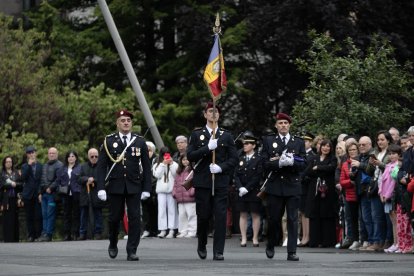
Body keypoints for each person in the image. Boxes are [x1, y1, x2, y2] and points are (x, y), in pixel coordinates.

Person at [96, 109, 151, 261]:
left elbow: (147, 167)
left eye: (128, 120)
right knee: (114, 218)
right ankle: (113, 242)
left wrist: (147, 188)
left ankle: (131, 250)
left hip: (134, 186)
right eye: (123, 120)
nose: (126, 123)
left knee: (135, 219)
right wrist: (100, 187)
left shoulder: (139, 141)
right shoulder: (109, 141)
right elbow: (101, 167)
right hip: (115, 186)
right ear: (117, 123)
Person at [187, 102, 238, 261]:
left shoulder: (226, 135)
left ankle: (218, 251)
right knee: (203, 216)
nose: (213, 114)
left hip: (220, 181)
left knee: (221, 216)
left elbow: (234, 158)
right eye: (210, 111)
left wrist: (221, 167)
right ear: (205, 114)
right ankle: (201, 244)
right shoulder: (197, 135)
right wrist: (207, 148)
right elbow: (190, 156)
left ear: (219, 115)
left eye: (216, 111)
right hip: (203, 182)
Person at [261, 112, 306, 261]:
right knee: (274, 218)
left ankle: (291, 251)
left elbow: (304, 163)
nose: (283, 125)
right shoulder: (268, 141)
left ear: (290, 125)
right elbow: (264, 163)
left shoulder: (298, 142)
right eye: (280, 123)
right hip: (275, 186)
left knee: (293, 219)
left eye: (286, 123)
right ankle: (271, 244)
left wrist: (292, 163)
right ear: (276, 126)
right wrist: (278, 163)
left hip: (293, 185)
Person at [305, 139, 338, 248]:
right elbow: (308, 171)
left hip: (327, 190)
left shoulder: (332, 158)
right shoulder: (314, 158)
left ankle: (327, 241)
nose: (325, 148)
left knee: (326, 214)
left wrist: (318, 168)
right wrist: (319, 170)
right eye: (324, 146)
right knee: (314, 215)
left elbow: (331, 168)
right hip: (314, 190)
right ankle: (314, 240)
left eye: (328, 146)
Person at [233, 131, 263, 247]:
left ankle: (255, 238)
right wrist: (240, 187)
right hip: (241, 191)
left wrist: (247, 188)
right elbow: (235, 174)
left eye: (247, 144)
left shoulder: (258, 159)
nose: (244, 146)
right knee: (243, 214)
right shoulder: (240, 158)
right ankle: (244, 238)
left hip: (253, 190)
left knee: (255, 214)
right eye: (244, 144)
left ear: (254, 145)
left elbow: (258, 176)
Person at [379, 144, 401, 253]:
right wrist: (380, 193)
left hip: (392, 196)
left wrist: (386, 195)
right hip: (385, 196)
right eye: (390, 154)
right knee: (392, 221)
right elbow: (382, 181)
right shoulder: (388, 166)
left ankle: (399, 243)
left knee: (396, 220)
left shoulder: (397, 166)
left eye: (394, 154)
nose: (392, 156)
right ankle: (395, 242)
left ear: (399, 155)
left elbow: (393, 184)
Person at [153, 146, 178, 238]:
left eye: (167, 154)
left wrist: (171, 164)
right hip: (161, 191)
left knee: (172, 210)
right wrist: (163, 164)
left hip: (171, 190)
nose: (165, 157)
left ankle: (172, 230)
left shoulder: (174, 164)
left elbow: (176, 175)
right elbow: (157, 175)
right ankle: (163, 230)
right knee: (161, 211)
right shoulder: (157, 164)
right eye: (164, 155)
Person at [38, 147, 63, 242]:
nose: (51, 154)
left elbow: (58, 179)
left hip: (53, 195)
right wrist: (40, 192)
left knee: (50, 214)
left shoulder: (60, 165)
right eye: (50, 153)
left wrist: (51, 188)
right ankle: (44, 233)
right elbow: (42, 180)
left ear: (57, 154)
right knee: (44, 215)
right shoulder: (45, 165)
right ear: (48, 154)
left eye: (53, 153)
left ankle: (48, 234)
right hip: (44, 194)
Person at [56, 150, 81, 241]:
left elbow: (81, 180)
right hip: (65, 194)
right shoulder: (62, 169)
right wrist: (60, 188)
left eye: (73, 156)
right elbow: (58, 181)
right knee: (66, 215)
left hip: (76, 194)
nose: (71, 158)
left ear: (76, 158)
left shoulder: (79, 168)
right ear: (67, 158)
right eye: (69, 156)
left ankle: (75, 233)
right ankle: (67, 234)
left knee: (76, 214)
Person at [79, 148, 104, 240]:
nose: (94, 158)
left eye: (96, 156)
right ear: (88, 156)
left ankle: (98, 233)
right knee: (83, 215)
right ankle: (83, 233)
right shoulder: (83, 166)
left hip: (97, 194)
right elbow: (79, 179)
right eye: (92, 156)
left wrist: (94, 180)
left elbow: (104, 179)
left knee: (98, 214)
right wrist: (87, 179)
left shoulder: (102, 166)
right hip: (85, 194)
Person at [339, 141, 360, 250]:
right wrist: (350, 182)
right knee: (352, 219)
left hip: (361, 193)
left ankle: (362, 239)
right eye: (350, 150)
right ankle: (354, 239)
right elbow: (342, 181)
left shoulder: (361, 161)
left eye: (354, 149)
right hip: (350, 195)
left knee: (363, 218)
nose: (352, 152)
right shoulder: (345, 164)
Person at [20, 146, 43, 242]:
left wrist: (40, 192)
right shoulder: (24, 166)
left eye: (32, 152)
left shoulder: (41, 166)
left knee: (38, 215)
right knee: (29, 216)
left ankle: (38, 235)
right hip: (27, 194)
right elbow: (23, 178)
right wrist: (29, 165)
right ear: (27, 155)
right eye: (29, 153)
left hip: (37, 194)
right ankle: (31, 235)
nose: (31, 154)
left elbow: (42, 180)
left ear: (35, 153)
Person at [173, 154, 197, 238]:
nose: (185, 161)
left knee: (191, 215)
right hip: (180, 198)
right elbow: (175, 183)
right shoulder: (179, 171)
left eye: (187, 160)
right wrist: (174, 193)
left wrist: (192, 192)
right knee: (182, 216)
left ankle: (192, 231)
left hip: (190, 198)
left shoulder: (193, 170)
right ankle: (183, 231)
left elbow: (194, 183)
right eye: (183, 160)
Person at [298, 133, 316, 247]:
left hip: (307, 185)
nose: (304, 143)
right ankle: (304, 236)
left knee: (306, 212)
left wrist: (302, 176)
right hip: (301, 186)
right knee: (302, 212)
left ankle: (307, 236)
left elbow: (308, 172)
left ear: (311, 143)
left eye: (306, 141)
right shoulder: (301, 154)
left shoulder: (312, 156)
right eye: (303, 141)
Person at [0, 156, 22, 242]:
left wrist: (16, 184)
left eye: (10, 162)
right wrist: (10, 185)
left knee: (15, 218)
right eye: (7, 162)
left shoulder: (16, 173)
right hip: (6, 199)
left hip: (15, 199)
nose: (9, 163)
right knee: (7, 219)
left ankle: (15, 238)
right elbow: (1, 185)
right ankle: (8, 239)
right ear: (4, 163)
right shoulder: (2, 173)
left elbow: (21, 184)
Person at [141, 141, 158, 238]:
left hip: (153, 188)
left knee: (154, 210)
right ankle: (146, 229)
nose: (148, 152)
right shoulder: (140, 160)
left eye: (149, 150)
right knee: (145, 211)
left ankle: (154, 230)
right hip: (143, 188)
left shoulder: (156, 160)